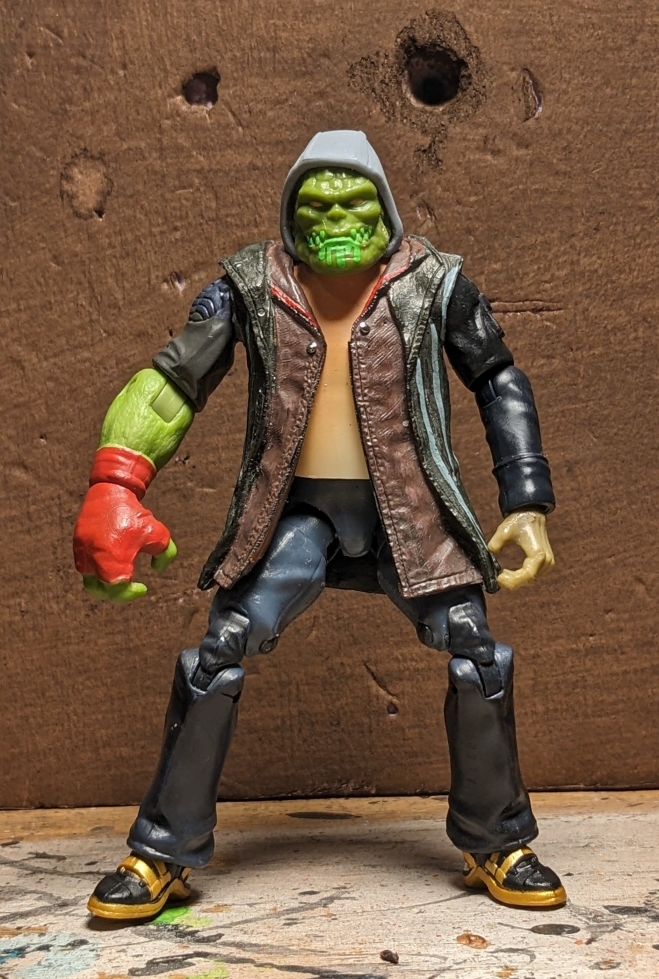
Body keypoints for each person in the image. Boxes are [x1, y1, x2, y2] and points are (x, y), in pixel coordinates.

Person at [74, 130, 565, 920]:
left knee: (476, 652)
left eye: (352, 203)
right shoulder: (248, 285)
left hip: (411, 512)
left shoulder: (435, 283)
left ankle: (496, 841)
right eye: (318, 206)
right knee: (217, 652)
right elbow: (172, 381)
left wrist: (526, 501)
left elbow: (497, 379)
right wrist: (114, 481)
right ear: (289, 213)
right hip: (293, 515)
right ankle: (162, 852)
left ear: (385, 207)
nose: (336, 220)